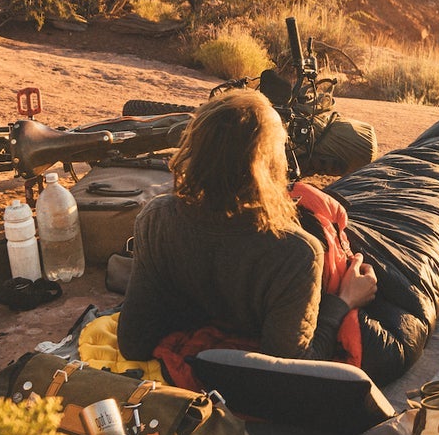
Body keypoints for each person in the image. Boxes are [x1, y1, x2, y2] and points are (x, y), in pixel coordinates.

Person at [116, 89, 376, 363]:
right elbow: (291, 366)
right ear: (269, 164)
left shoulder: (157, 218)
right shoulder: (297, 252)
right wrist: (345, 302)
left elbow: (133, 343)